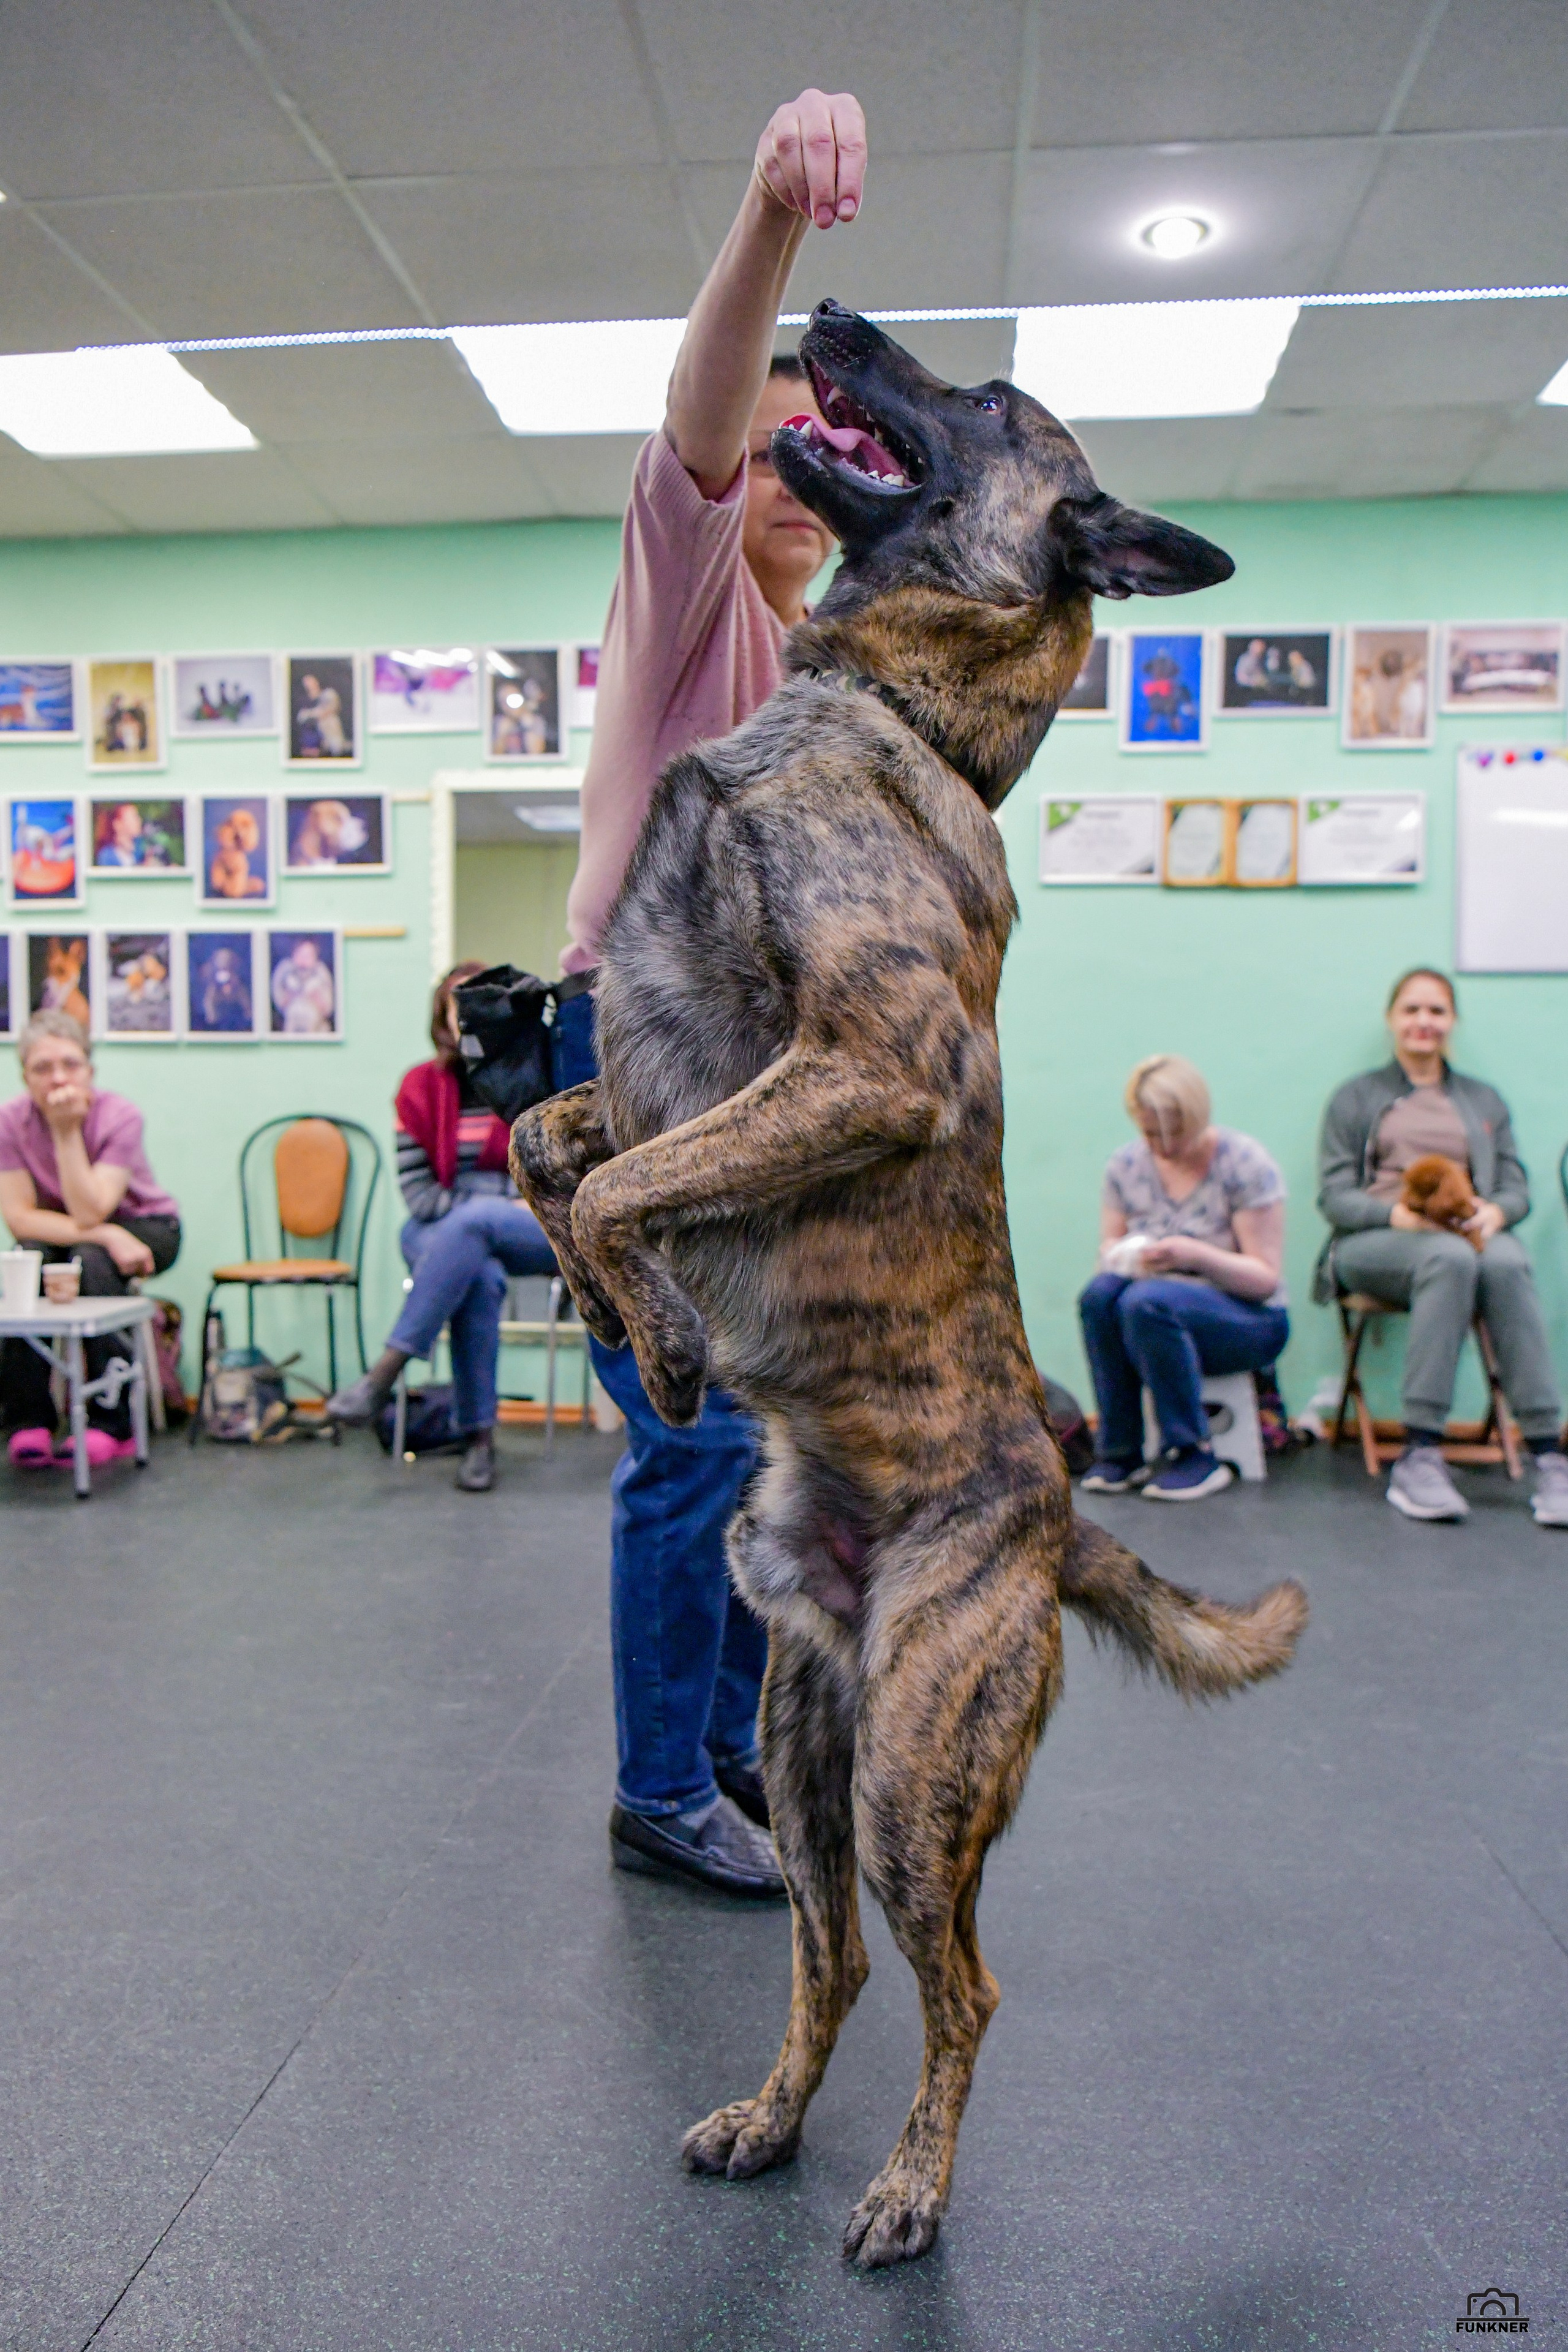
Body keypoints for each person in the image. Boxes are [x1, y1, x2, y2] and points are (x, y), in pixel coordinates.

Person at [549, 86, 864, 1899]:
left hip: (740, 1096)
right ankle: (658, 1787)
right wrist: (767, 215)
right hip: (639, 1075)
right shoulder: (688, 593)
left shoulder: (809, 662)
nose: (796, 472)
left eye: (828, 450)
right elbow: (693, 427)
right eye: (778, 443)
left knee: (751, 1441)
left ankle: (725, 1746)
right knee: (685, 1447)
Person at [1317, 967, 1568, 1526]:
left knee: (1508, 1261)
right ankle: (1420, 1454)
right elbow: (1334, 1197)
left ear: (1453, 1021)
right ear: (1392, 1019)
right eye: (1412, 1009)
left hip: (1464, 1232)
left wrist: (1495, 1212)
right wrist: (1399, 1216)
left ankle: (1550, 1455)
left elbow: (1515, 1188)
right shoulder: (1356, 1097)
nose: (1424, 1021)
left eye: (1436, 1010)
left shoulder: (1483, 1099)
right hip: (1376, 1241)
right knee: (1450, 1257)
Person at [327, 962, 559, 1493]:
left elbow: (555, 1176)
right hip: (437, 1226)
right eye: (460, 1007)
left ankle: (384, 1374)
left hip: (533, 1224)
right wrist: (493, 1205)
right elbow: (421, 1197)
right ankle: (479, 1441)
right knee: (479, 1274)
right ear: (444, 1020)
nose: (471, 1017)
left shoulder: (535, 1077)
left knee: (475, 1227)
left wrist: (499, 1208)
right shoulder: (418, 1088)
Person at [1079, 1054, 1290, 1502]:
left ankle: (1194, 1453)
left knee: (1146, 1301)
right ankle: (1120, 1452)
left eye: (1175, 1133)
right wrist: (1126, 1255)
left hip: (1250, 1319)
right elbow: (1108, 1254)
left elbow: (1264, 1280)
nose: (1163, 1147)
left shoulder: (1245, 1163)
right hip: (1150, 1317)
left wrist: (1194, 1255)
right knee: (1099, 1296)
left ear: (1197, 1117)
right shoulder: (1125, 1167)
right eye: (1150, 1134)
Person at [0, 1011, 181, 1468]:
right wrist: (106, 1233)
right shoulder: (10, 1122)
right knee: (27, 1260)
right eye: (43, 1068)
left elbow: (91, 1208)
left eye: (70, 1064)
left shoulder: (119, 1116)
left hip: (145, 1225)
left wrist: (65, 1132)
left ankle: (111, 1421)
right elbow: (20, 1219)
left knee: (92, 1259)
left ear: (90, 1071)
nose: (58, 1078)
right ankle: (28, 1419)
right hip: (78, 1230)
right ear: (25, 1077)